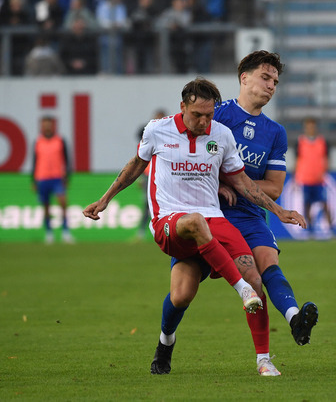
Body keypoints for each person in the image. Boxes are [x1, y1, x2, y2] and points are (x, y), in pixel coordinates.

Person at [82, 77, 306, 375]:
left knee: (235, 282)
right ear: (182, 107)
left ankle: (262, 360)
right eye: (197, 115)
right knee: (198, 230)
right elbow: (136, 165)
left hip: (213, 218)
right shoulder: (157, 130)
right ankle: (238, 291)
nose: (203, 122)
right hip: (169, 220)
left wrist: (278, 211)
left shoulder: (222, 135)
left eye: (209, 115)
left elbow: (241, 181)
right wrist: (105, 199)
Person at [183, 50, 319, 376]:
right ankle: (165, 341)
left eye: (275, 81)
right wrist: (217, 182)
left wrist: (235, 181)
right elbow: (188, 158)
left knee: (265, 267)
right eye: (265, 77)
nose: (271, 85)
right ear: (244, 78)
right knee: (182, 293)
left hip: (250, 215)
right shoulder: (216, 115)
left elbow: (274, 187)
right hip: (207, 212)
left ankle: (293, 322)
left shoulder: (275, 132)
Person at [32, 116, 73, 244]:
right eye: (44, 125)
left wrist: (67, 176)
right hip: (42, 177)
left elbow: (66, 160)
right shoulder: (38, 141)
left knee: (63, 203)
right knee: (46, 206)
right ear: (41, 126)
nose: (47, 127)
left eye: (49, 124)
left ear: (53, 126)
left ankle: (66, 232)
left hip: (57, 177)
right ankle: (49, 233)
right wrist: (33, 180)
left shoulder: (60, 140)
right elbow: (34, 161)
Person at [295, 117, 333, 237]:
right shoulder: (300, 142)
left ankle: (332, 231)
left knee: (325, 205)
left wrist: (325, 171)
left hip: (319, 180)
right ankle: (311, 231)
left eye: (312, 126)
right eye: (308, 126)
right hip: (306, 180)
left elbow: (327, 159)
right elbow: (297, 160)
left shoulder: (322, 142)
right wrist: (296, 177)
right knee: (307, 206)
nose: (310, 128)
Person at [135, 108, 167, 240]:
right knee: (148, 204)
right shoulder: (149, 136)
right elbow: (140, 159)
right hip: (148, 175)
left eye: (161, 117)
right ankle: (142, 232)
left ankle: (163, 231)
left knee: (163, 203)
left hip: (162, 175)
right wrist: (141, 177)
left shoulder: (168, 137)